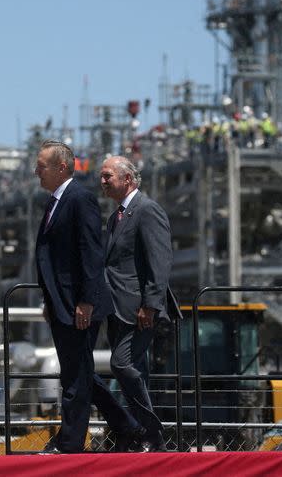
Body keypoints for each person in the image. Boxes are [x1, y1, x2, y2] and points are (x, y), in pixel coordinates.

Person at [34, 140, 132, 454]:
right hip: (62, 303)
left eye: (42, 166)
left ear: (61, 167)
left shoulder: (80, 199)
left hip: (80, 305)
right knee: (80, 373)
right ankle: (129, 427)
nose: (37, 171)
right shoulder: (55, 201)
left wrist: (86, 301)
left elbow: (91, 252)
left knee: (75, 378)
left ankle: (70, 444)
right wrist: (50, 302)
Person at [99, 156, 179, 453]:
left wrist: (151, 304)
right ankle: (141, 437)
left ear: (128, 179)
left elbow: (160, 261)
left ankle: (150, 430)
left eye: (108, 176)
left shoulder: (147, 210)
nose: (102, 181)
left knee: (122, 364)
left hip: (140, 310)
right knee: (134, 370)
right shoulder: (115, 216)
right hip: (117, 308)